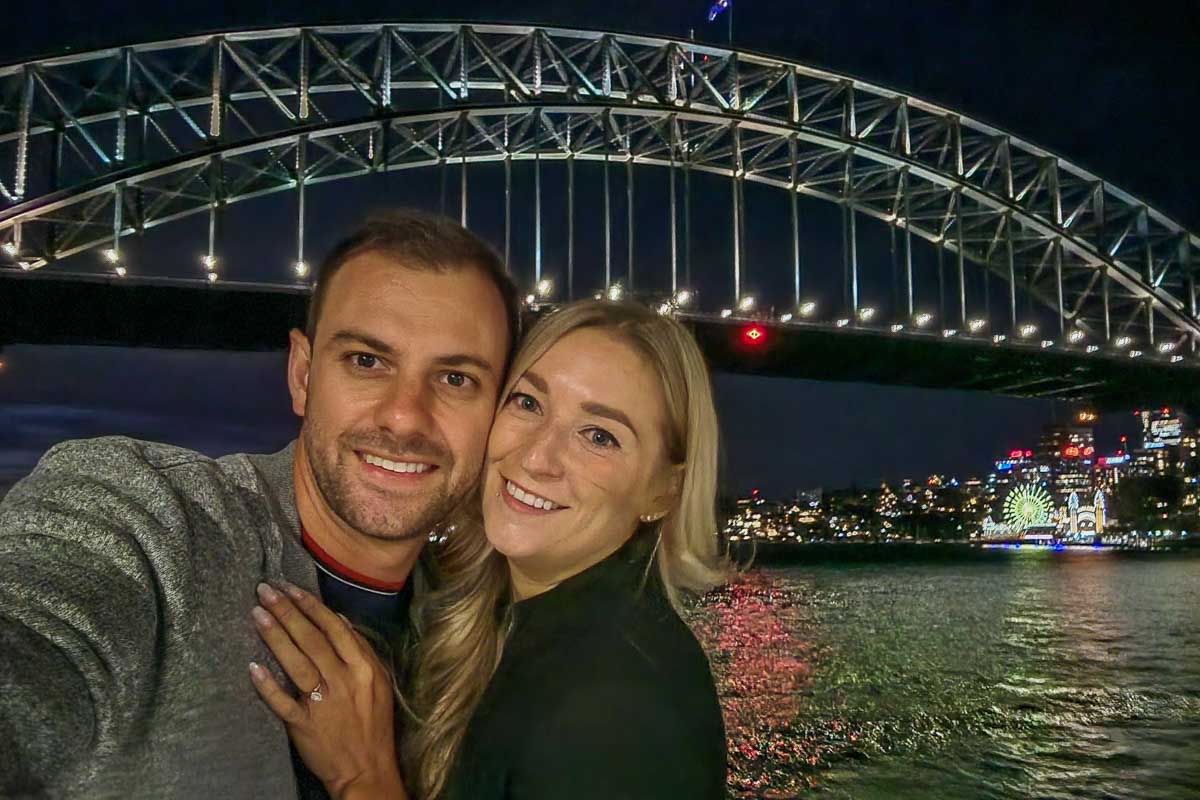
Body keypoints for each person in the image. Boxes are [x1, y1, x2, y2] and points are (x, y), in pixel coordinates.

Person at [0, 210, 520, 799]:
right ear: (302, 375)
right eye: (367, 362)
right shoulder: (158, 521)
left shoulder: (482, 634)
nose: (404, 415)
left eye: (455, 379)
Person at [249, 299, 730, 799]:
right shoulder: (515, 618)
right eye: (528, 403)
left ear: (664, 492)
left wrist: (361, 775)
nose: (537, 457)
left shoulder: (620, 711)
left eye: (599, 436)